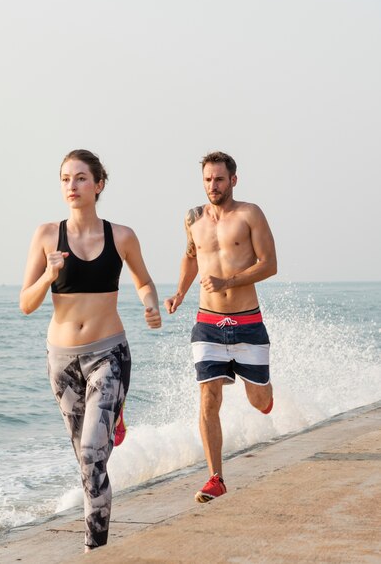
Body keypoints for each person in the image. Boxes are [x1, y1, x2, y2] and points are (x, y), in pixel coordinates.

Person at [20, 149, 161, 551]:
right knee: (86, 459)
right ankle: (113, 420)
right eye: (66, 179)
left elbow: (144, 282)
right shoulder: (47, 235)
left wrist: (150, 305)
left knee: (91, 454)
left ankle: (93, 549)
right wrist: (49, 275)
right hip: (62, 362)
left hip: (108, 354)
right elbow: (26, 304)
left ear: (98, 185)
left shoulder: (122, 236)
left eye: (81, 178)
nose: (72, 186)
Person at [165, 151, 277, 503]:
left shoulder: (250, 214)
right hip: (208, 324)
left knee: (258, 400)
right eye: (207, 179)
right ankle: (216, 477)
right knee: (209, 398)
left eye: (218, 179)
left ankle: (265, 394)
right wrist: (180, 293)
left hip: (247, 323)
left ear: (233, 180)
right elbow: (190, 256)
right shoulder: (193, 218)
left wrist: (228, 282)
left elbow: (270, 264)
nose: (212, 185)